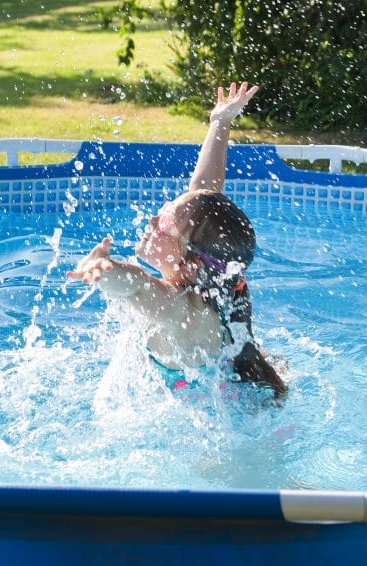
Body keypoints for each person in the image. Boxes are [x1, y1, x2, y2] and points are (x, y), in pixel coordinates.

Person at [67, 82, 287, 400]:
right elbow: (203, 191)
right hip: (231, 391)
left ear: (191, 263)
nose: (155, 220)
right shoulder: (217, 283)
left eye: (168, 222)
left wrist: (104, 268)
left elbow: (135, 284)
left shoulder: (178, 310)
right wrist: (220, 122)